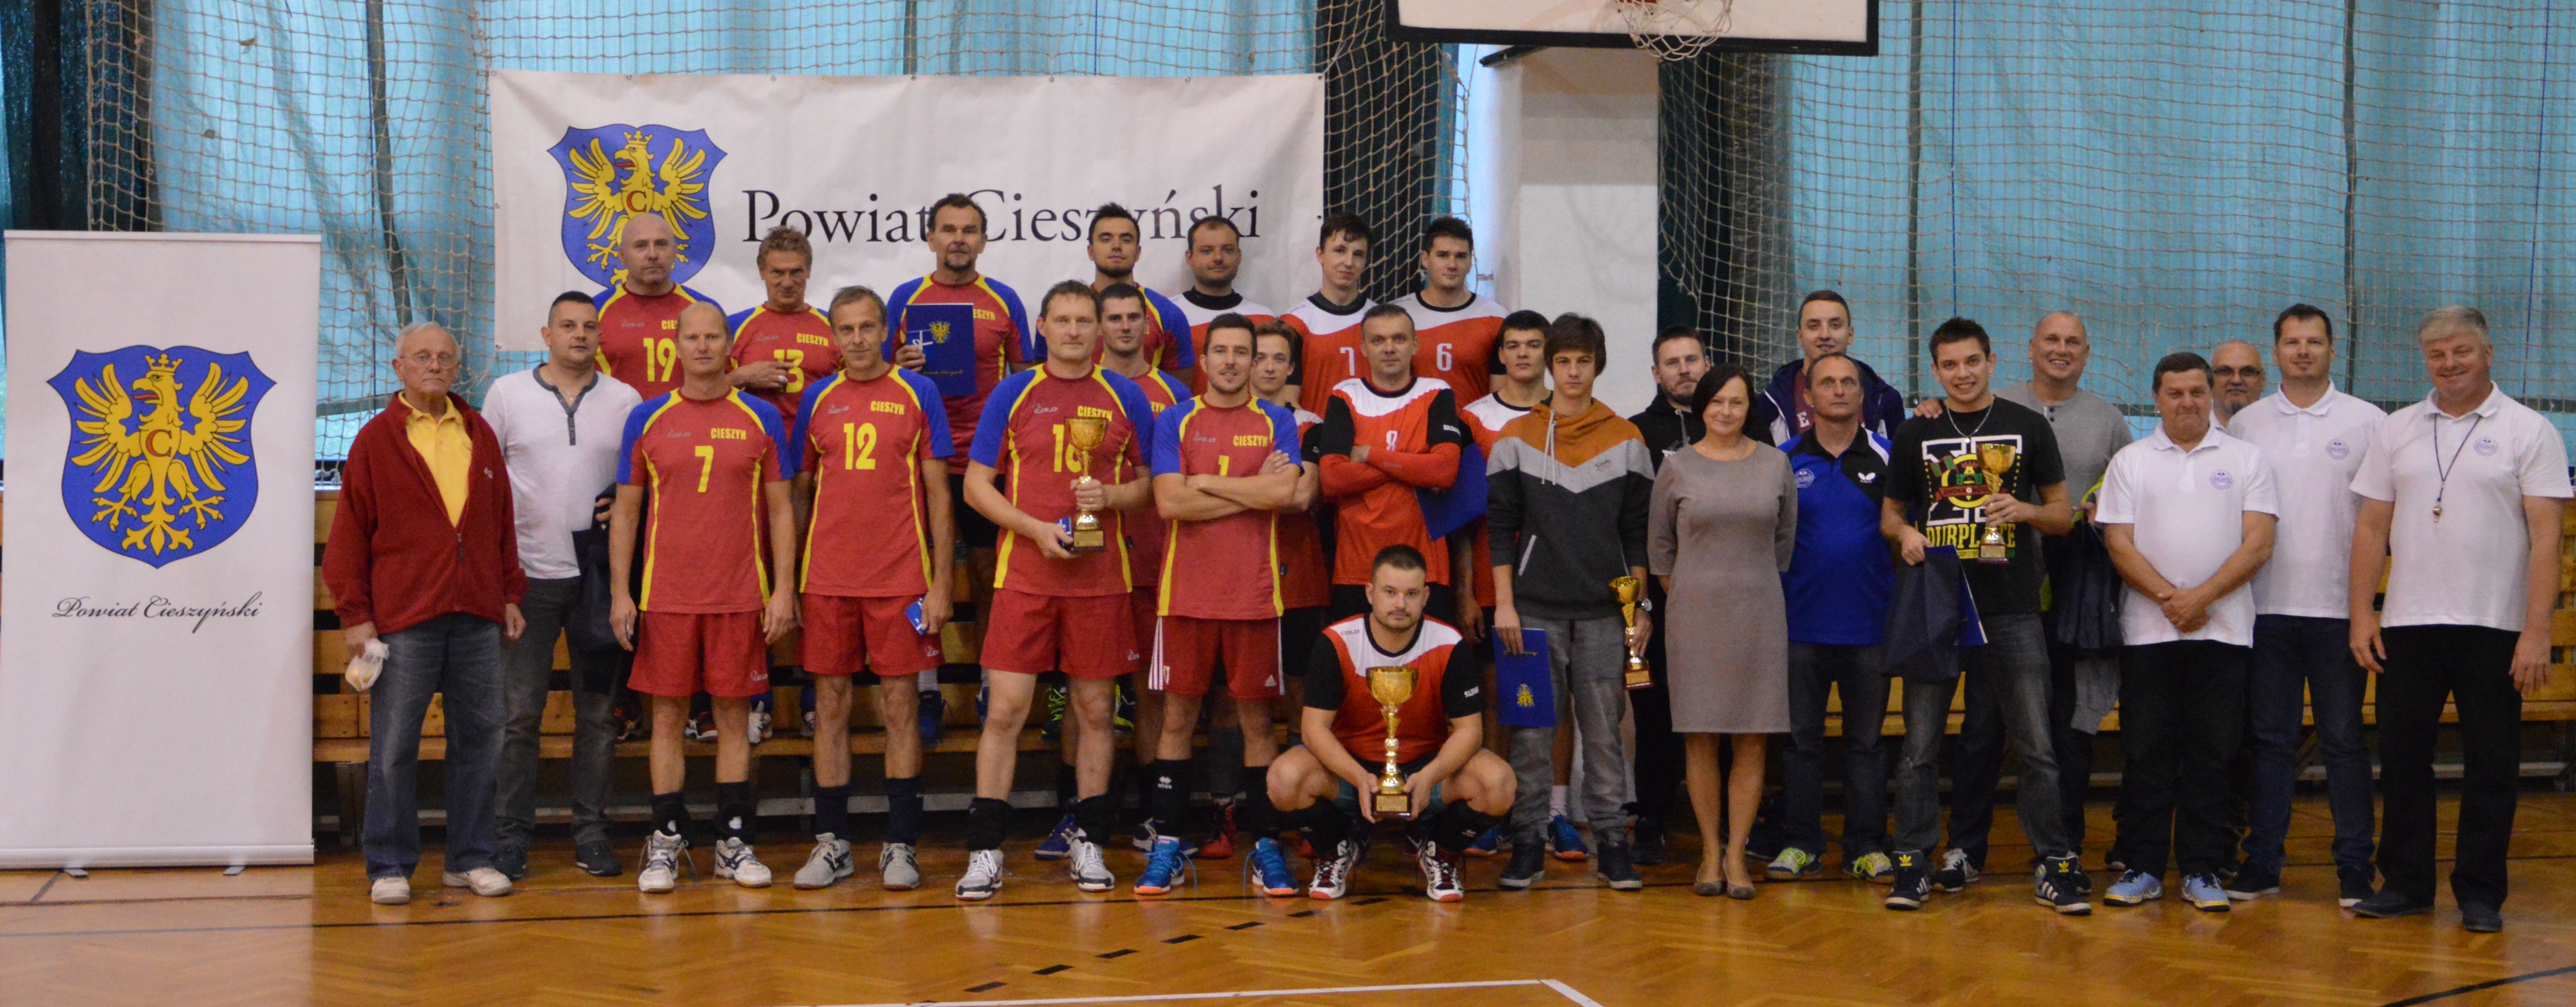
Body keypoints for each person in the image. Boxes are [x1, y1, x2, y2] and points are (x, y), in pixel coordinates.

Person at [2347, 306, 2571, 932]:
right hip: (2408, 625)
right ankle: (2406, 884)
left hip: (2495, 626)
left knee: (2492, 763)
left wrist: (2536, 631)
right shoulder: (2397, 428)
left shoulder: (2530, 430)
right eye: (2437, 354)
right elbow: (2371, 528)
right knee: (2402, 758)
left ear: (2488, 354)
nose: (2449, 364)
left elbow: (2546, 538)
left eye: (2461, 352)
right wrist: (2361, 614)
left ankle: (2480, 893)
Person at [954, 282, 1157, 901]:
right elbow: (976, 486)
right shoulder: (1014, 392)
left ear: (1100, 329)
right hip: (1024, 575)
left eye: (1083, 320)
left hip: (1100, 580)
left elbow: (1150, 485)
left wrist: (1111, 496)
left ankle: (1089, 841)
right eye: (1061, 320)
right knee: (1005, 712)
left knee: (1095, 711)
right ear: (1041, 326)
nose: (1072, 330)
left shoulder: (1125, 395)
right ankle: (985, 850)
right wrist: (1035, 530)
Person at [1879, 317, 2089, 915]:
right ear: (1935, 370)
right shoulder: (1916, 431)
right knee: (1920, 746)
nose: (1962, 374)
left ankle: (2054, 862)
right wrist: (1906, 534)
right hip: (1936, 606)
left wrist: (2023, 509)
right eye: (1949, 365)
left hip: (2012, 606)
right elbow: (1889, 515)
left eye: (1972, 361)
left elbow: (2062, 514)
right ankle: (1912, 861)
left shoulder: (2027, 426)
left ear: (1992, 362)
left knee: (2036, 744)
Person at [326, 322, 526, 906]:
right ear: (399, 368)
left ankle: (472, 858)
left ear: (458, 367)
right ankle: (389, 864)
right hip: (403, 619)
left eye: (444, 357)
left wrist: (509, 593)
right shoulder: (375, 440)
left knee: (481, 742)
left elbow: (501, 522)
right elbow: (348, 536)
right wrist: (356, 616)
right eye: (422, 357)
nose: (434, 365)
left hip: (477, 615)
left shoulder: (479, 432)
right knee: (394, 747)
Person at [607, 302, 801, 894]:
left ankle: (733, 843)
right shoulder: (647, 417)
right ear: (677, 345)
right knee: (666, 717)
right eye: (691, 337)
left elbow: (780, 509)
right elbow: (627, 511)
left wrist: (784, 589)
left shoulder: (760, 416)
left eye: (712, 336)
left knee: (733, 719)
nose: (702, 346)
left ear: (728, 345)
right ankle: (666, 840)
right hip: (665, 595)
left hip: (740, 594)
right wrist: (620, 593)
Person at [1951, 310, 2134, 874]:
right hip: (1999, 582)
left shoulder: (2109, 421)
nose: (2061, 349)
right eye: (2051, 339)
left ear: (2087, 352)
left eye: (2072, 341)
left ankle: (2061, 846)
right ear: (2028, 348)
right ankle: (1965, 849)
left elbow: (2129, 493)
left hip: (2076, 591)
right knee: (1983, 725)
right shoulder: (1993, 405)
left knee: (2065, 725)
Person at [785, 285, 955, 892]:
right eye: (845, 329)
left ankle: (900, 843)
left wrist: (939, 581)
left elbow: (938, 493)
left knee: (900, 707)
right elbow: (799, 494)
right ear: (833, 336)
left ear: (885, 331)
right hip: (827, 579)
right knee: (829, 706)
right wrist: (789, 581)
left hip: (900, 578)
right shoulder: (817, 397)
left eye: (866, 327)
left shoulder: (919, 391)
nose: (856, 339)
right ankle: (832, 842)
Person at [2096, 352, 2279, 912]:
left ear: (2211, 394)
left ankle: (2202, 868)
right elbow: (2118, 543)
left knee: (2213, 751)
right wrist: (2169, 600)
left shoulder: (2246, 458)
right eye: (2175, 393)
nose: (2187, 402)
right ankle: (2144, 866)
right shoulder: (2130, 461)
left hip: (2223, 633)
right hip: (2148, 635)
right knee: (2147, 750)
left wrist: (2200, 598)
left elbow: (2258, 543)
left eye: (2197, 391)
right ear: (2156, 398)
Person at [1137, 314, 1306, 896]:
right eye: (1221, 352)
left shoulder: (1277, 419)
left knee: (1258, 723)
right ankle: (1165, 845)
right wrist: (1250, 491)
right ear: (1204, 360)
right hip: (1185, 595)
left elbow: (1284, 491)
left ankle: (1266, 847)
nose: (1231, 362)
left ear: (1255, 362)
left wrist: (1203, 481)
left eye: (1242, 352)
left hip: (1254, 597)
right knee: (1177, 720)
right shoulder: (1175, 418)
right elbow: (1168, 503)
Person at [1485, 314, 1655, 892]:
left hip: (1607, 613)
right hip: (1532, 610)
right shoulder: (1516, 436)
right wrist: (1504, 606)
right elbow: (1500, 529)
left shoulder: (1627, 438)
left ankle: (1612, 842)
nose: (1573, 372)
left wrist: (1639, 609)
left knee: (1604, 730)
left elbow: (1637, 534)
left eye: (1583, 361)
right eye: (1563, 361)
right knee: (1532, 730)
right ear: (1549, 366)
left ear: (1597, 365)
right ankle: (1527, 841)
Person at [2224, 305, 2384, 907]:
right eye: (2292, 342)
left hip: (2339, 612)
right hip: (2264, 610)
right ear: (2276, 353)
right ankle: (2262, 862)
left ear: (2331, 349)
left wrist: (2367, 607)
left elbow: (2381, 520)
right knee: (2271, 741)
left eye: (2313, 341)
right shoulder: (2247, 424)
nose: (2303, 351)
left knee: (2343, 741)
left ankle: (2354, 868)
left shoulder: (2368, 422)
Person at [482, 292, 643, 882]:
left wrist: (624, 501)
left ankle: (591, 834)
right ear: (546, 334)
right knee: (518, 716)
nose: (580, 334)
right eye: (568, 326)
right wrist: (499, 580)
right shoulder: (507, 395)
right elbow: (484, 482)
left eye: (589, 326)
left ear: (601, 336)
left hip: (598, 580)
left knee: (598, 717)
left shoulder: (626, 400)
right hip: (528, 580)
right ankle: (510, 838)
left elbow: (640, 482)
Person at [1266, 545, 1515, 902]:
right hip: (1350, 770)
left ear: (1425, 596)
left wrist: (1428, 777)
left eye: (1411, 594)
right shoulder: (1337, 641)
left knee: (1499, 783)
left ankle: (1439, 852)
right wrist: (1358, 777)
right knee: (1284, 778)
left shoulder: (1448, 642)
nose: (1401, 604)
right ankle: (1336, 849)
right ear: (1370, 593)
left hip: (1425, 769)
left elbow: (1470, 731)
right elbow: (1313, 729)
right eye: (1390, 592)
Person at [883, 193, 1036, 739]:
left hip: (986, 463)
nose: (958, 239)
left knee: (991, 575)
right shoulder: (905, 299)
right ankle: (927, 690)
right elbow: (877, 374)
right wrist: (899, 364)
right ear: (930, 238)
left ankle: (992, 685)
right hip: (921, 460)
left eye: (969, 230)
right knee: (918, 575)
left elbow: (1026, 381)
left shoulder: (1004, 300)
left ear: (983, 240)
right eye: (948, 229)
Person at [1649, 364, 1797, 899]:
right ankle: (1710, 850)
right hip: (1694, 617)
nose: (1726, 411)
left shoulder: (1776, 464)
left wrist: (1743, 585)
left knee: (1753, 736)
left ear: (1748, 407)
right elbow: (1660, 549)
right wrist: (1696, 591)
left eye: (1736, 402)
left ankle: (1737, 854)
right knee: (1701, 734)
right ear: (1702, 407)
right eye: (1717, 402)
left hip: (1758, 614)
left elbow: (1783, 543)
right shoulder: (1676, 466)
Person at [1767, 352, 1896, 885]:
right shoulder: (1781, 460)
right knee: (1801, 743)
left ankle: (1865, 844)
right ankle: (1802, 842)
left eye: (1848, 382)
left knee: (1867, 744)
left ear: (1862, 395)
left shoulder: (1889, 456)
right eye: (1827, 382)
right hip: (1798, 628)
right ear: (1809, 395)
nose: (1838, 390)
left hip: (1871, 627)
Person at [1453, 311, 1565, 860]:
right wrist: (1464, 590)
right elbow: (1462, 515)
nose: (1523, 354)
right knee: (1498, 694)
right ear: (1500, 354)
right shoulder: (1474, 418)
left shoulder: (1568, 413)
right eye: (1513, 345)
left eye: (1533, 344)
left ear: (1547, 352)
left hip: (1555, 578)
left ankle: (1555, 812)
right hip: (1487, 577)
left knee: (1555, 697)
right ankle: (1496, 812)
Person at [1094, 281, 1194, 855]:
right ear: (1099, 325)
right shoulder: (1083, 387)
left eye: (1134, 317)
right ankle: (1082, 814)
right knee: (1089, 693)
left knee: (1152, 691)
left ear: (1149, 327)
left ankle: (1155, 815)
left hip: (1159, 561)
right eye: (1115, 317)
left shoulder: (1174, 394)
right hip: (1095, 561)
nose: (1126, 326)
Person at [1311, 305, 1466, 621]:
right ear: (1364, 348)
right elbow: (1332, 479)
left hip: (1425, 567)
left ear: (1415, 344)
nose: (1389, 348)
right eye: (1378, 340)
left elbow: (1444, 472)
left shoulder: (1436, 392)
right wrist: (1414, 463)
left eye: (1399, 338)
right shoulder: (1345, 395)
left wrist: (1371, 454)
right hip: (1357, 566)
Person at [1624, 325, 1710, 865]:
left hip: (1721, 595)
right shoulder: (1635, 431)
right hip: (1656, 597)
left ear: (1707, 364)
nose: (1684, 369)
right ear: (1657, 374)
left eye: (1691, 359)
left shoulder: (1736, 423)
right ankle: (1652, 815)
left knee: (1720, 707)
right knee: (1653, 710)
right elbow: (1631, 521)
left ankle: (1726, 818)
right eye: (1672, 362)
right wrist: (1642, 601)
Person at [594, 211, 724, 401]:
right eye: (641, 246)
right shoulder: (595, 311)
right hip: (617, 420)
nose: (653, 255)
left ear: (675, 251)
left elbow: (723, 380)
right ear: (622, 256)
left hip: (686, 420)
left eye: (661, 244)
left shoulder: (703, 310)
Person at [1751, 290, 1909, 445]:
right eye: (1814, 326)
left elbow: (1899, 459)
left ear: (1850, 335)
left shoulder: (1885, 399)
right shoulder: (1769, 404)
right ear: (1800, 336)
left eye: (1835, 326)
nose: (1825, 335)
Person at [726, 225, 842, 421]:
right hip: (757, 437)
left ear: (809, 270)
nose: (787, 283)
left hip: (815, 437)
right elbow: (703, 391)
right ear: (762, 271)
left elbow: (858, 390)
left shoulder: (835, 327)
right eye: (778, 273)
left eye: (796, 272)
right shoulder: (734, 327)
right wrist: (741, 377)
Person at [1389, 216, 1508, 406]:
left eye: (1461, 256)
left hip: (1471, 425)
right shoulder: (1397, 315)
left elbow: (1501, 400)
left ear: (1471, 261)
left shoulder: (1496, 318)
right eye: (1443, 255)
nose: (1452, 265)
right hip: (1412, 424)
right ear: (1426, 259)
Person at [1086, 203, 1198, 378]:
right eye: (1106, 239)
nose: (1116, 246)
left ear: (1138, 252)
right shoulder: (1067, 310)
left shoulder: (1167, 314)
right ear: (1091, 251)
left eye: (1126, 240)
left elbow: (1176, 390)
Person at [1286, 213, 1378, 414]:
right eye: (1340, 251)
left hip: (1375, 432)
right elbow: (1286, 401)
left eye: (1358, 254)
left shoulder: (1381, 322)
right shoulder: (1295, 323)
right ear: (1320, 254)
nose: (1349, 262)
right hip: (1317, 432)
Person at [1174, 215, 1277, 393]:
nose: (1218, 258)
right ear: (1190, 258)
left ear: (1239, 256)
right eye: (1207, 251)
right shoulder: (1169, 314)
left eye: (1228, 250)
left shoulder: (1265, 319)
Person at [2211, 339, 2267, 429]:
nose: (2236, 381)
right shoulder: (2193, 428)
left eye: (2247, 373)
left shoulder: (2282, 427)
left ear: (2263, 381)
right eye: (2225, 372)